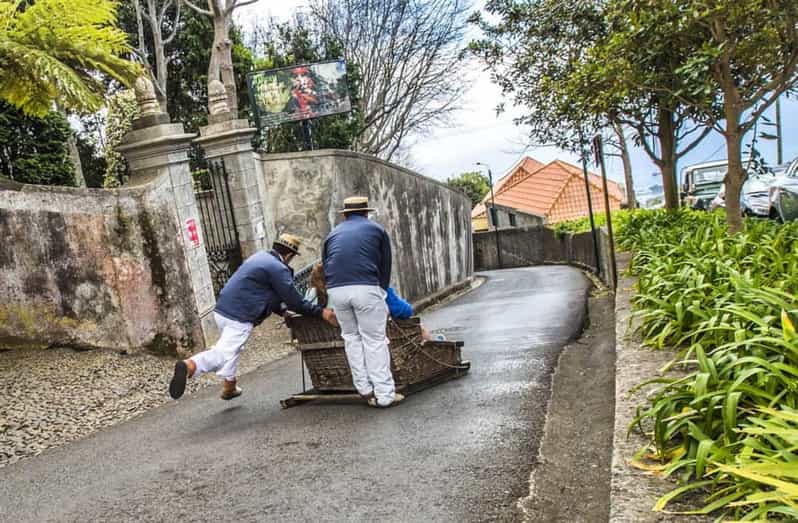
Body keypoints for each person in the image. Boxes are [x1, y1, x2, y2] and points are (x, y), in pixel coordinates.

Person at [169, 233, 337, 401]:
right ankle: (190, 365)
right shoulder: (278, 268)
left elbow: (270, 297)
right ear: (289, 255)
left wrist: (283, 312)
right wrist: (321, 312)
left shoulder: (260, 257)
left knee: (233, 347)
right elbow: (294, 301)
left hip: (222, 310)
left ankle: (230, 385)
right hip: (240, 315)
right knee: (223, 354)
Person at [322, 196, 403, 408]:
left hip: (336, 290)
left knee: (351, 337)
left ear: (345, 214)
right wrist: (381, 292)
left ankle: (365, 390)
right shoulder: (377, 230)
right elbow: (385, 266)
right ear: (366, 213)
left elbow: (326, 264)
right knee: (374, 340)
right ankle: (385, 395)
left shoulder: (332, 234)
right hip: (365, 287)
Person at [305, 262, 444, 342]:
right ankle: (435, 344)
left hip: (328, 343)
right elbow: (405, 311)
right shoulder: (367, 286)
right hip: (369, 338)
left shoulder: (310, 296)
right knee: (417, 325)